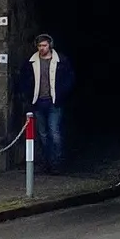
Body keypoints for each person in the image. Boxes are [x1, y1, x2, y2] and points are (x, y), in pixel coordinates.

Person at [28, 34, 75, 173]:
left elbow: (69, 78)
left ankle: (57, 162)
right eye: (39, 46)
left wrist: (62, 94)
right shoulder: (31, 62)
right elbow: (25, 80)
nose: (42, 48)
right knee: (42, 134)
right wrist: (29, 95)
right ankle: (46, 162)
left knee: (54, 133)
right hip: (38, 102)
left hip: (54, 103)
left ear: (50, 45)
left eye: (44, 45)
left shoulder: (61, 61)